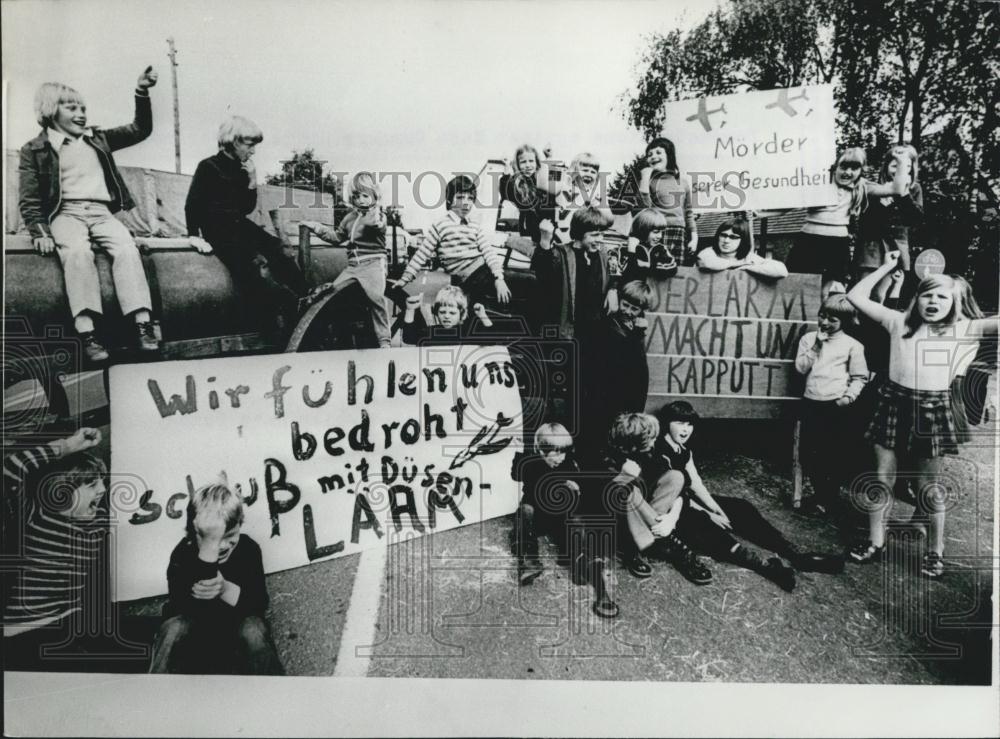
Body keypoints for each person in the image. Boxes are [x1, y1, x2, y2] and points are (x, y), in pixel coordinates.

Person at [846, 253, 999, 577]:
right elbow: (855, 297)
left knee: (928, 487)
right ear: (917, 298)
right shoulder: (898, 322)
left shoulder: (964, 329)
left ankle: (935, 551)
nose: (933, 300)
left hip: (932, 410)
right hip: (892, 403)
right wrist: (888, 266)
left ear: (955, 302)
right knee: (881, 477)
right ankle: (876, 541)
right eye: (927, 294)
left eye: (942, 296)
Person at [18, 69, 162, 362]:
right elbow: (30, 198)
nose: (81, 113)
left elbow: (140, 129)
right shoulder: (34, 149)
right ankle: (88, 332)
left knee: (126, 249)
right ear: (50, 110)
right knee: (77, 252)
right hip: (65, 213)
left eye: (83, 107)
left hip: (100, 213)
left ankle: (143, 324)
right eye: (71, 108)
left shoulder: (99, 139)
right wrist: (41, 233)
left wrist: (142, 91)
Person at [646, 402, 845, 590]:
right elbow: (675, 496)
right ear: (667, 424)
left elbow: (696, 483)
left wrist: (716, 508)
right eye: (679, 423)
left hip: (686, 499)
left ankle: (793, 553)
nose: (685, 429)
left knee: (740, 507)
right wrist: (709, 514)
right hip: (671, 508)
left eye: (689, 424)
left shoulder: (684, 449)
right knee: (705, 525)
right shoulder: (660, 451)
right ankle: (764, 566)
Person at [185, 115, 309, 337]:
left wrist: (251, 181)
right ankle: (278, 309)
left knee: (277, 248)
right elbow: (192, 204)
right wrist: (194, 235)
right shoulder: (207, 166)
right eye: (250, 145)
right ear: (233, 142)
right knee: (252, 265)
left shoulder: (242, 170)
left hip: (239, 224)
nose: (253, 152)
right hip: (218, 231)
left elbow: (245, 207)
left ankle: (307, 296)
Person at [150, 481, 284, 674]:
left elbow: (258, 603)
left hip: (234, 626)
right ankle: (154, 692)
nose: (221, 546)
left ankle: (274, 692)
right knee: (172, 629)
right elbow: (180, 605)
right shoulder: (183, 554)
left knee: (254, 629)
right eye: (213, 538)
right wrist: (205, 566)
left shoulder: (249, 549)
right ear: (193, 531)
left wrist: (225, 589)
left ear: (240, 525)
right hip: (195, 631)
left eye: (230, 535)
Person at [2, 428, 110, 668]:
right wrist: (68, 446)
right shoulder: (33, 517)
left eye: (102, 482)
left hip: (66, 626)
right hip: (22, 635)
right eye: (92, 484)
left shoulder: (95, 524)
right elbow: (10, 469)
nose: (102, 490)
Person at [794, 293, 869, 516]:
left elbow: (860, 377)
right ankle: (819, 494)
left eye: (832, 319)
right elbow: (800, 368)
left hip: (835, 406)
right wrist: (816, 346)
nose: (825, 322)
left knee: (832, 455)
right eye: (822, 316)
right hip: (811, 402)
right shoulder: (809, 339)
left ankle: (826, 500)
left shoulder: (852, 346)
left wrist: (847, 398)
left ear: (844, 322)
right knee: (809, 453)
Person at [786, 147, 902, 287]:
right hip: (809, 240)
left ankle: (823, 310)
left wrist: (901, 161)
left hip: (837, 243)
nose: (848, 172)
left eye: (854, 168)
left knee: (827, 288)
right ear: (835, 166)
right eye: (844, 167)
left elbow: (896, 189)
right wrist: (758, 213)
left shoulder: (862, 187)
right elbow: (787, 205)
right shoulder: (819, 183)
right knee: (795, 285)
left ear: (860, 171)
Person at [300, 172, 391, 347]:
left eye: (366, 196)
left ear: (374, 196)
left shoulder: (377, 215)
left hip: (373, 263)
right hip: (353, 266)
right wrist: (316, 227)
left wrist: (376, 212)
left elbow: (378, 225)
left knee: (376, 299)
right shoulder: (349, 218)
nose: (362, 200)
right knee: (333, 293)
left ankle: (384, 340)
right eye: (357, 196)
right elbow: (336, 237)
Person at [393, 175, 511, 310]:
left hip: (486, 272)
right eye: (460, 197)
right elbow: (422, 254)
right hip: (473, 279)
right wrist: (404, 279)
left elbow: (488, 252)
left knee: (527, 281)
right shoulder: (441, 226)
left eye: (470, 198)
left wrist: (499, 278)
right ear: (449, 199)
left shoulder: (474, 225)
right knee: (529, 283)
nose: (466, 203)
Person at [578, 280, 653, 458]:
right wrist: (637, 334)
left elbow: (639, 368)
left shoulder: (633, 328)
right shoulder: (607, 326)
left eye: (634, 309)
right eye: (625, 305)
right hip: (606, 395)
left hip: (625, 396)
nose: (628, 311)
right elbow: (624, 357)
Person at [531, 205, 618, 340]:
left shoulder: (602, 254)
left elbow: (611, 276)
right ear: (579, 234)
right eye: (594, 235)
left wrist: (613, 290)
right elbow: (542, 272)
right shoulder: (562, 254)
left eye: (602, 234)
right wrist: (545, 241)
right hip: (571, 333)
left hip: (596, 332)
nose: (600, 239)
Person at [853, 145, 923, 286]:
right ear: (886, 166)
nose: (900, 171)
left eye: (906, 166)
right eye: (895, 166)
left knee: (882, 292)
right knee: (864, 286)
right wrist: (883, 203)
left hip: (897, 244)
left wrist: (904, 196)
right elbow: (865, 221)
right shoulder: (875, 186)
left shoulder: (914, 188)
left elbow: (916, 219)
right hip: (871, 244)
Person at [637, 137, 697, 264]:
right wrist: (645, 178)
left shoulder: (683, 183)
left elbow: (689, 212)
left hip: (679, 233)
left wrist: (694, 237)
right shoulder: (648, 182)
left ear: (669, 155)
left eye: (658, 152)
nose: (653, 156)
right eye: (650, 154)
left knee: (676, 271)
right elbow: (644, 210)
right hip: (656, 231)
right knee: (655, 270)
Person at [498, 144, 554, 244]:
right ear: (518, 165)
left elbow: (551, 182)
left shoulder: (542, 179)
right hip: (530, 230)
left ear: (537, 163)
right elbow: (505, 192)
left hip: (549, 227)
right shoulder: (519, 183)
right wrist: (506, 167)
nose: (528, 165)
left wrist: (548, 158)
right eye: (523, 162)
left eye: (531, 161)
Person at [400, 285, 494, 345]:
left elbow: (490, 340)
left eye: (452, 313)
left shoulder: (467, 332)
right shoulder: (432, 332)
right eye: (442, 312)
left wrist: (482, 316)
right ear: (436, 313)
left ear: (461, 314)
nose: (447, 316)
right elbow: (409, 338)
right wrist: (410, 310)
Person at [696, 218, 789, 278]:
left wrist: (748, 267)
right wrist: (740, 264)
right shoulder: (709, 252)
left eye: (733, 237)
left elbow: (781, 270)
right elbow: (707, 263)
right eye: (723, 235)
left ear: (743, 240)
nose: (726, 240)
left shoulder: (748, 258)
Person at [622, 208, 677, 284]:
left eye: (661, 232)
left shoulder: (660, 248)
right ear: (643, 231)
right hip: (634, 290)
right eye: (656, 232)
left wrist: (647, 265)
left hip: (655, 290)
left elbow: (672, 268)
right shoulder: (631, 247)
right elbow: (626, 273)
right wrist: (631, 252)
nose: (660, 236)